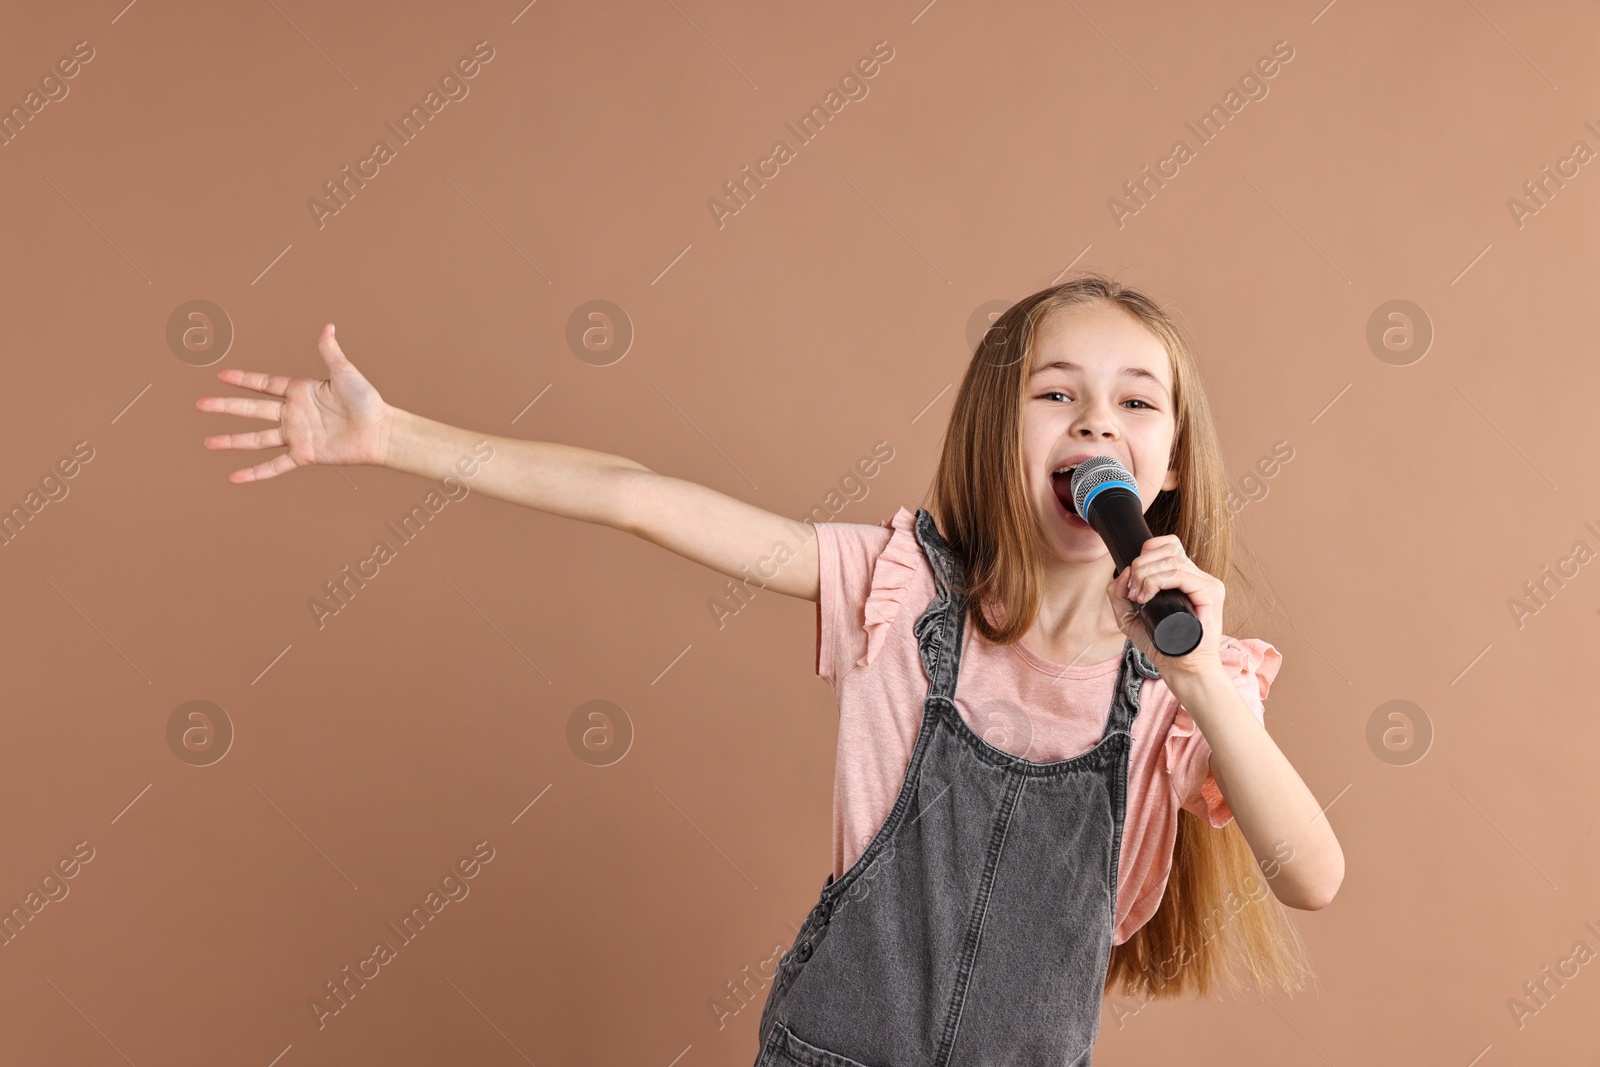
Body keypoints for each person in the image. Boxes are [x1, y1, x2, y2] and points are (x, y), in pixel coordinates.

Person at [196, 272, 1343, 1065]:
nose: (1095, 420)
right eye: (1057, 392)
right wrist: (398, 437)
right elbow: (636, 495)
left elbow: (1311, 874)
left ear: (1171, 463)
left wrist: (1199, 685)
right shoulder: (896, 593)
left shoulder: (1193, 683)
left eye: (1135, 402)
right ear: (1000, 427)